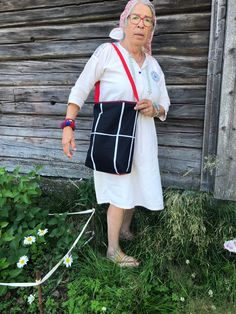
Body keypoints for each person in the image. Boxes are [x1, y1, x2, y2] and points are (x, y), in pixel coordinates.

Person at [61, 0, 170, 267]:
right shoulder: (107, 53)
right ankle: (113, 250)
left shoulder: (153, 66)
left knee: (135, 185)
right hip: (115, 135)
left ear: (151, 28)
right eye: (136, 18)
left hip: (143, 137)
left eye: (148, 20)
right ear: (124, 21)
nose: (141, 24)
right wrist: (68, 125)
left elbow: (165, 103)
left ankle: (124, 230)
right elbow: (81, 88)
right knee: (120, 191)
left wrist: (154, 108)